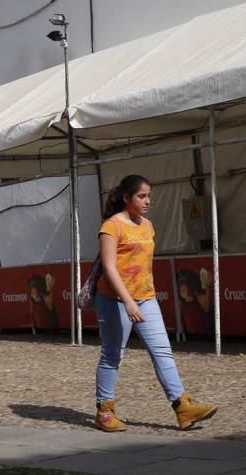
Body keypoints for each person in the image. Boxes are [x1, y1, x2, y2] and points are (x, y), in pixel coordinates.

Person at [93, 175, 217, 432]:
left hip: (146, 298)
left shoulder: (147, 226)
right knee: (112, 355)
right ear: (126, 198)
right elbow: (109, 268)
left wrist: (144, 296)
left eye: (149, 195)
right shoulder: (112, 226)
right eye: (141, 196)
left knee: (162, 351)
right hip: (114, 300)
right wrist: (128, 301)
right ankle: (105, 412)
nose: (147, 201)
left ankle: (182, 407)